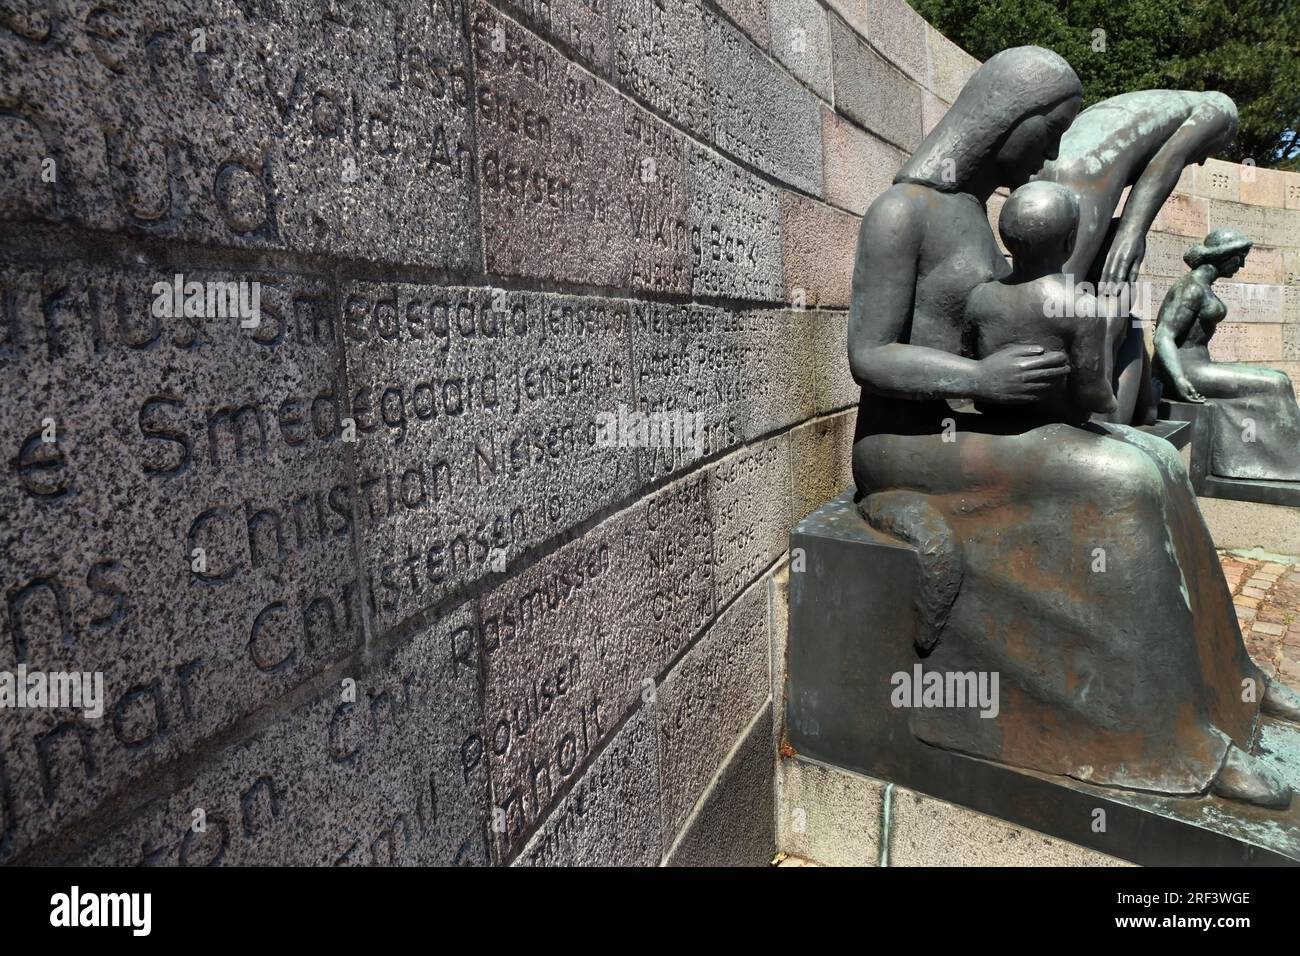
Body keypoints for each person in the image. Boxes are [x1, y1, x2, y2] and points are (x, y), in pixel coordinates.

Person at [850, 48, 1298, 807]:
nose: (1053, 154)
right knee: (1116, 482)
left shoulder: (974, 214)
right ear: (1011, 121)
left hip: (970, 428)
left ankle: (1232, 680)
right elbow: (868, 354)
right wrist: (980, 381)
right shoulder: (904, 212)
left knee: (1154, 457)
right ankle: (1175, 740)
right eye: (1048, 132)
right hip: (908, 446)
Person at [1038, 90, 1239, 425]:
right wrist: (1132, 232)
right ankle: (1081, 414)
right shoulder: (1222, 109)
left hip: (1059, 169)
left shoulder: (1158, 103)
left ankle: (1064, 401)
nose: (1203, 161)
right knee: (1071, 300)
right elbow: (1169, 161)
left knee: (1056, 294)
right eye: (1212, 151)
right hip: (1086, 175)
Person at [1154, 228, 1300, 480]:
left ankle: (1281, 459)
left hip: (1200, 366)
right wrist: (1179, 378)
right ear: (1224, 256)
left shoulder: (1202, 286)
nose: (1242, 265)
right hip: (1189, 371)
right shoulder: (1191, 288)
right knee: (1277, 383)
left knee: (1279, 377)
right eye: (1240, 257)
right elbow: (1163, 335)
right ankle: (1283, 464)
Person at [966, 180, 1116, 423]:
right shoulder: (1084, 307)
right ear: (1070, 241)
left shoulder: (979, 297)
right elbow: (1091, 393)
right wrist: (1111, 401)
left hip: (993, 419)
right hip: (1056, 427)